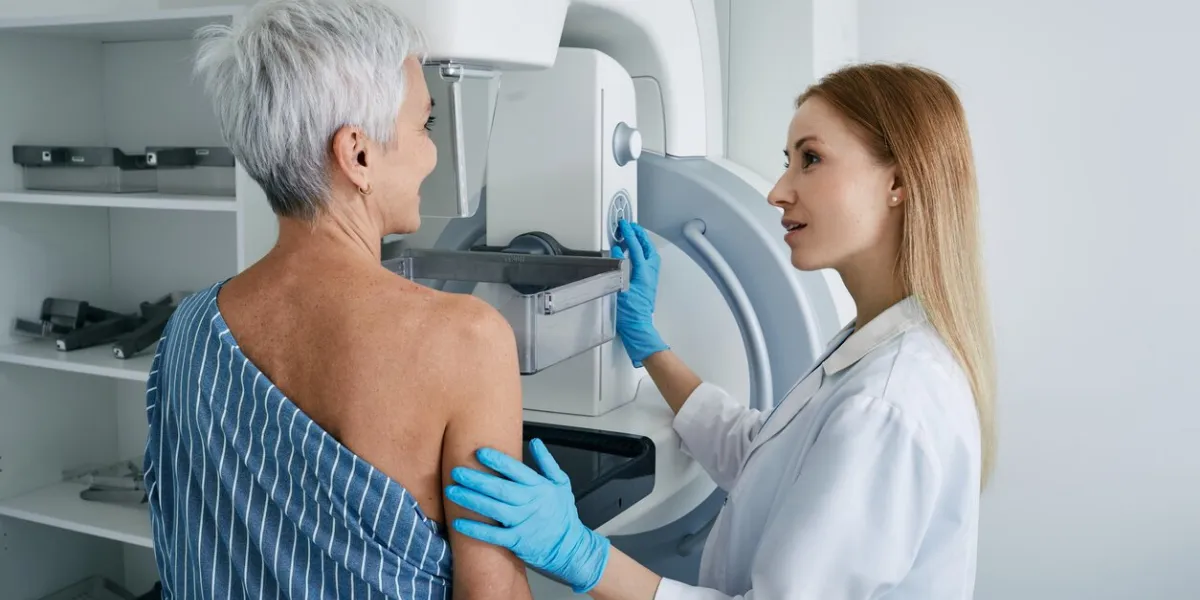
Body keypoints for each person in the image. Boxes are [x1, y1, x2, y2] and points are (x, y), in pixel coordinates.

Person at [444, 62, 996, 599]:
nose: (779, 190)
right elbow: (763, 460)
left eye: (811, 159)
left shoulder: (885, 403)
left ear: (897, 181)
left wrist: (580, 554)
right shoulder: (879, 342)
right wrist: (647, 342)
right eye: (789, 161)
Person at [141, 0, 533, 598]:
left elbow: (182, 543)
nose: (431, 153)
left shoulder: (188, 329)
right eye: (424, 126)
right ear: (358, 154)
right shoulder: (466, 340)